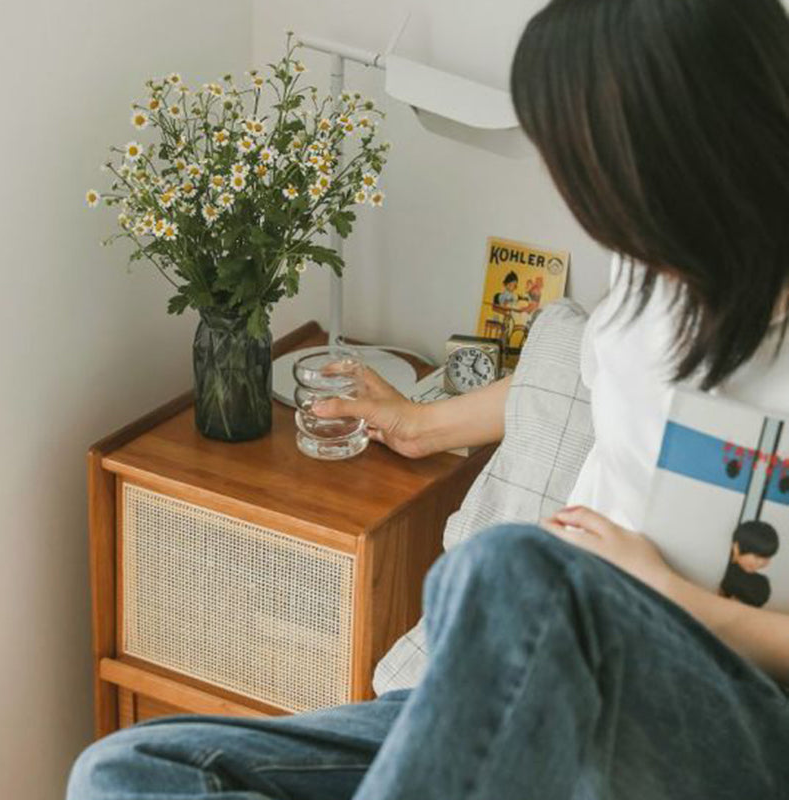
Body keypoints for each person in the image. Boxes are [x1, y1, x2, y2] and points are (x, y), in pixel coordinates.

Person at [66, 0, 789, 797]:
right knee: (131, 770)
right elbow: (591, 376)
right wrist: (420, 423)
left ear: (704, 145)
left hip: (728, 716)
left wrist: (669, 598)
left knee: (510, 565)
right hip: (556, 685)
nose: (592, 204)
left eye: (601, 170)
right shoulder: (653, 266)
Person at [720, 520, 780, 607]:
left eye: (767, 558)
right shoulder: (723, 571)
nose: (761, 563)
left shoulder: (761, 585)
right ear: (737, 548)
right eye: (757, 556)